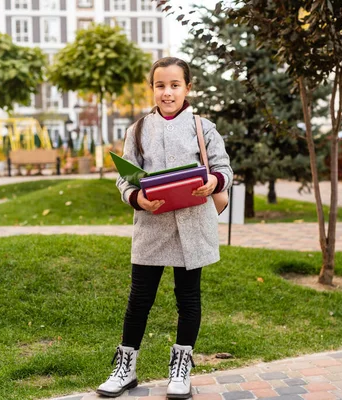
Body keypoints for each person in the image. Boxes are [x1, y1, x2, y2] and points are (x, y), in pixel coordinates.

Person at [97, 57, 233, 399]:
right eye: (160, 86)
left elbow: (224, 169)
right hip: (151, 226)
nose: (167, 92)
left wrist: (214, 182)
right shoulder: (138, 129)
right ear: (152, 88)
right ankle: (125, 367)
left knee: (188, 297)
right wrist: (136, 198)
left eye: (175, 85)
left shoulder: (204, 127)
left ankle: (180, 367)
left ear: (188, 87)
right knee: (139, 298)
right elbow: (125, 180)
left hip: (193, 227)